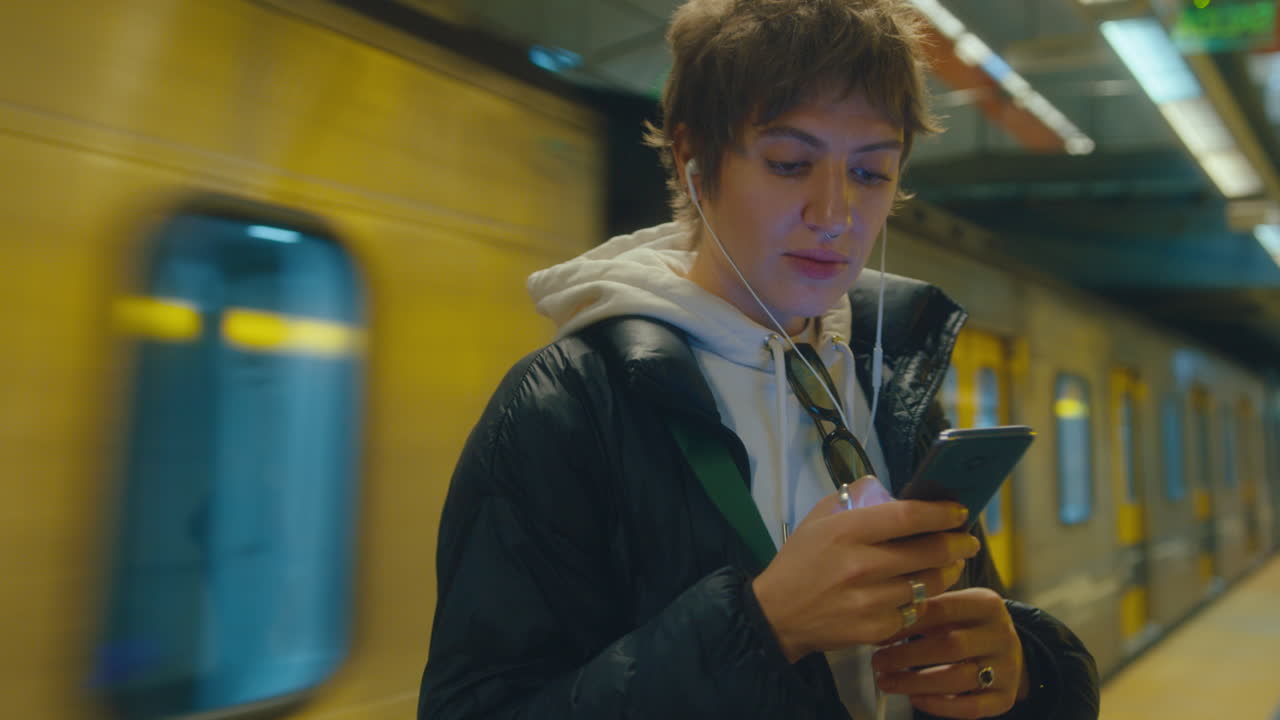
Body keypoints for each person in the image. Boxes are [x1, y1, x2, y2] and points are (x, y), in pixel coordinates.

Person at [419, 0, 1099, 717]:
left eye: (871, 173)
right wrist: (766, 625)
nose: (834, 213)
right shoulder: (566, 406)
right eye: (788, 163)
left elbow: (967, 633)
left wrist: (1021, 675)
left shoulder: (886, 377)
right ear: (693, 163)